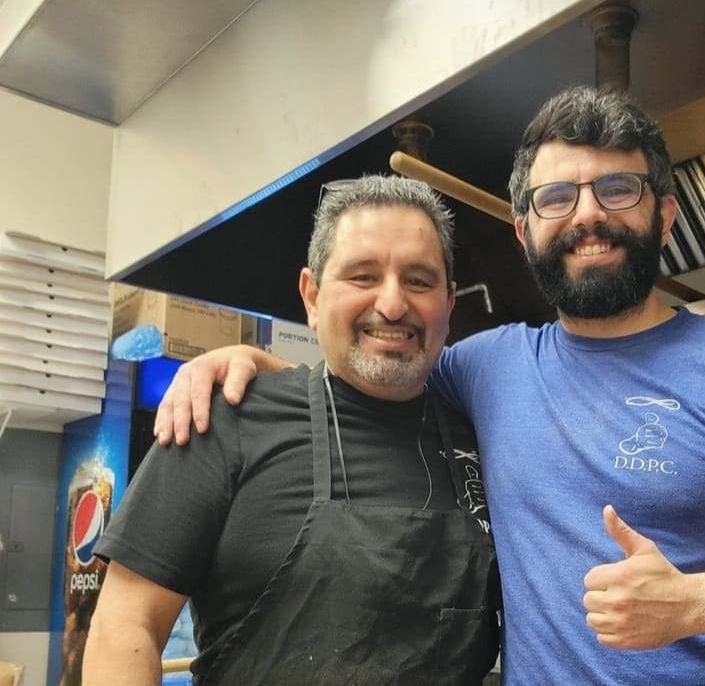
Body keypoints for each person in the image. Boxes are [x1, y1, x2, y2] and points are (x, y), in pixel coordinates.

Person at [154, 87, 705, 685]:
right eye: (557, 198)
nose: (587, 216)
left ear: (665, 215)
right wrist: (246, 364)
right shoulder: (487, 367)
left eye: (617, 188)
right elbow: (373, 373)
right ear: (523, 230)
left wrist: (696, 603)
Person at [84, 175, 500, 686]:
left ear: (449, 302)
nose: (393, 304)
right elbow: (125, 626)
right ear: (312, 296)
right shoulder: (227, 419)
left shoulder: (485, 436)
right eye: (363, 276)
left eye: (418, 281)